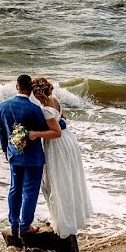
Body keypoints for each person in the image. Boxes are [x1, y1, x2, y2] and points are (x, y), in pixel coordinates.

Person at [0, 74, 63, 236]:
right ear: (31, 89)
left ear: (17, 86)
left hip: (14, 155)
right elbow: (51, 128)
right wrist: (62, 120)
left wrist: (5, 150)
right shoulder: (34, 110)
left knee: (14, 189)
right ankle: (25, 226)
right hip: (33, 158)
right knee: (30, 191)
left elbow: (1, 131)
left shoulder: (3, 106)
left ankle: (14, 223)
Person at [31, 77, 94, 238]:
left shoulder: (45, 109)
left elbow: (56, 132)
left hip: (57, 145)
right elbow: (63, 119)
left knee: (55, 182)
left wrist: (35, 134)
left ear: (37, 93)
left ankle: (62, 221)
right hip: (69, 140)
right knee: (65, 179)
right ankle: (61, 217)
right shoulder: (55, 100)